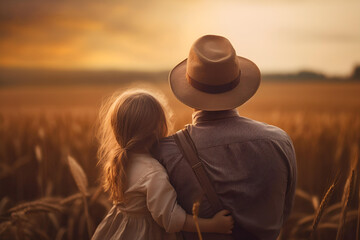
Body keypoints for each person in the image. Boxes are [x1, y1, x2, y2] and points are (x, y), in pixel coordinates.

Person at [153, 35, 297, 240]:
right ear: (238, 85)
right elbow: (284, 213)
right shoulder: (280, 142)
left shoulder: (166, 153)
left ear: (189, 90)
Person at [91, 89, 234, 240]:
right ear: (159, 129)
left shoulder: (121, 161)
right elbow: (171, 219)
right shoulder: (153, 172)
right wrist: (213, 225)